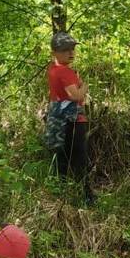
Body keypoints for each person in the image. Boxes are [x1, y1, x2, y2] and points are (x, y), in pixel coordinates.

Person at [44, 31, 94, 205]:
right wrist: (84, 88)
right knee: (79, 159)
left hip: (59, 122)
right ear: (55, 52)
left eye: (72, 49)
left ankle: (62, 198)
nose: (71, 53)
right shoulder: (64, 72)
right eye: (65, 50)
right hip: (73, 122)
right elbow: (75, 96)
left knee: (62, 158)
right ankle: (87, 198)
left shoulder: (53, 69)